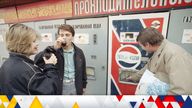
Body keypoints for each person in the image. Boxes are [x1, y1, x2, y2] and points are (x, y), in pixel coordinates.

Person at [127, 27, 192, 95]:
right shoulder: (159, 50)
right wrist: (133, 77)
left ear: (147, 44)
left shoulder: (174, 54)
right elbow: (148, 68)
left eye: (141, 46)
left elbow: (181, 90)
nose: (142, 48)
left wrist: (166, 103)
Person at [0, 23, 60, 95]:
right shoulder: (29, 71)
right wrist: (50, 66)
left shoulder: (5, 64)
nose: (37, 44)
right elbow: (51, 91)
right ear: (23, 43)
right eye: (33, 41)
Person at [34, 24, 87, 95]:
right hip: (60, 86)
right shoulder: (54, 51)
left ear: (72, 37)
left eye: (67, 35)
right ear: (58, 36)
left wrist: (84, 86)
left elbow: (83, 70)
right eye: (61, 35)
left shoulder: (79, 52)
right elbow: (37, 60)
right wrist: (53, 48)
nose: (64, 37)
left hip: (76, 85)